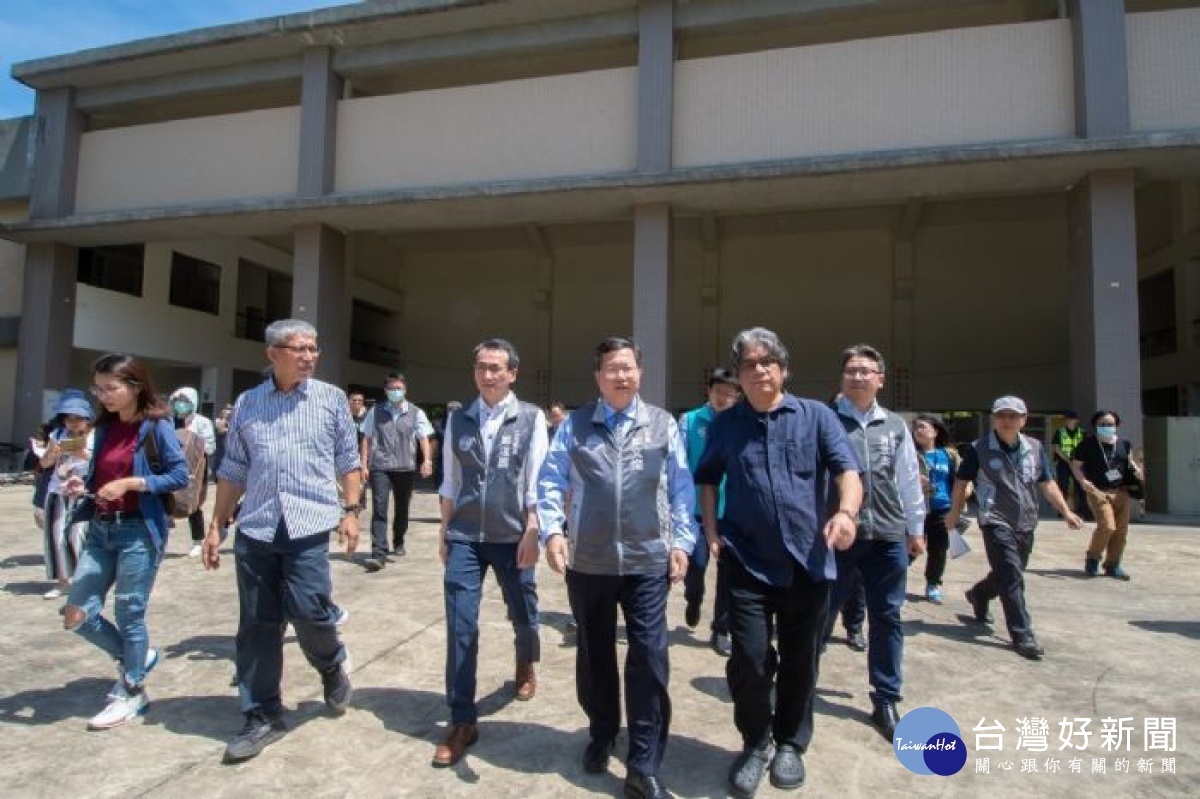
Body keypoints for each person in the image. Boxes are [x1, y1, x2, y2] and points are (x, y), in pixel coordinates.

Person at [695, 327, 862, 799]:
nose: (759, 370)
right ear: (740, 374)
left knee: (800, 659)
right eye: (749, 364)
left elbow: (847, 471)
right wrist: (710, 531)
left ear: (784, 369)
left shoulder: (817, 417)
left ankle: (790, 742)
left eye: (768, 361)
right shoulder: (727, 425)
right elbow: (707, 479)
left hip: (808, 560)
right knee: (748, 657)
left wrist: (846, 513)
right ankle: (755, 740)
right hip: (746, 559)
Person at [537, 337, 696, 799]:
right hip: (589, 561)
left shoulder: (663, 425)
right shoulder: (576, 425)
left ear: (640, 374)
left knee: (648, 658)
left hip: (648, 561)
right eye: (611, 369)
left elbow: (681, 488)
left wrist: (681, 542)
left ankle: (643, 763)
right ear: (598, 377)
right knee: (595, 655)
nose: (620, 376)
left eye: (627, 368)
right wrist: (552, 531)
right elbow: (550, 481)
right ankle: (602, 731)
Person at [203, 319, 362, 764]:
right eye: (299, 349)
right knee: (257, 624)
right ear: (273, 353)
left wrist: (350, 513)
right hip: (256, 526)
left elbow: (349, 462)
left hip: (309, 525)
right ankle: (262, 714)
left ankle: (331, 664)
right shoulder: (249, 403)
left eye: (314, 348)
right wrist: (217, 524)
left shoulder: (330, 400)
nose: (309, 356)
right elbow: (234, 468)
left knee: (311, 609)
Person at [433, 338, 548, 768]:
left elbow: (537, 479)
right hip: (464, 536)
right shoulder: (459, 418)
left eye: (497, 368)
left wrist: (533, 530)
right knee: (461, 624)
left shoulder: (531, 419)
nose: (488, 375)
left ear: (512, 373)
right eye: (481, 366)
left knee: (523, 611)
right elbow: (450, 479)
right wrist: (444, 531)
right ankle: (462, 718)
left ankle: (525, 662)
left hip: (512, 534)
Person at [59, 354, 188, 730]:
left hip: (139, 531)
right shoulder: (105, 425)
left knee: (129, 613)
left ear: (135, 387)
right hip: (101, 529)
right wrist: (82, 487)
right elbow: (101, 476)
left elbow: (179, 475)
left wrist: (132, 483)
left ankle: (132, 689)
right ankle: (137, 658)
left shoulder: (155, 426)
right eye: (98, 389)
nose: (104, 396)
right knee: (77, 613)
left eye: (111, 388)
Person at [826, 344, 925, 743]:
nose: (858, 377)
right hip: (838, 536)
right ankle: (799, 683)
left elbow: (907, 479)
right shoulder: (826, 420)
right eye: (851, 370)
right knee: (820, 613)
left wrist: (915, 529)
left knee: (887, 617)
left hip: (886, 534)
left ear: (881, 379)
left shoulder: (896, 426)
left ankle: (885, 697)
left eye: (866, 371)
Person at [946, 396, 1082, 661]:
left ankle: (979, 594)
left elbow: (1047, 483)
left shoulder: (1034, 447)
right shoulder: (979, 448)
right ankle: (1023, 634)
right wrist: (953, 514)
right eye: (1002, 415)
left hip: (1026, 520)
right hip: (995, 518)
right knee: (1010, 575)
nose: (1007, 420)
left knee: (1011, 572)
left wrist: (1066, 511)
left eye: (1013, 416)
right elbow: (962, 483)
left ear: (1023, 419)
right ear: (994, 418)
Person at [677, 367, 741, 656]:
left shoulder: (742, 422)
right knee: (698, 564)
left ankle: (721, 629)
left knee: (729, 575)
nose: (724, 399)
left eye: (730, 394)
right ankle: (694, 597)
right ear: (709, 391)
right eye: (719, 392)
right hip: (696, 509)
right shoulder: (690, 421)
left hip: (732, 508)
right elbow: (678, 463)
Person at [360, 372, 434, 569]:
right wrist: (364, 464)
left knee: (402, 507)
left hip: (405, 466)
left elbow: (423, 438)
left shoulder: (416, 412)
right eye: (392, 388)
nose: (395, 392)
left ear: (405, 389)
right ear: (385, 391)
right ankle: (379, 553)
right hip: (380, 467)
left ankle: (399, 539)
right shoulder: (375, 411)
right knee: (379, 508)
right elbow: (366, 439)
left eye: (399, 388)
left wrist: (426, 460)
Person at [1070, 410, 1142, 580]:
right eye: (1102, 424)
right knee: (1107, 526)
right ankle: (1093, 558)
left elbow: (1129, 461)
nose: (1106, 427)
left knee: (1121, 531)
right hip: (1097, 491)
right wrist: (1083, 481)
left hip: (1121, 491)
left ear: (1116, 425)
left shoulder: (1124, 444)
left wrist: (1137, 470)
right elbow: (1075, 465)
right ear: (1095, 426)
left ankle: (1113, 565)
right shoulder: (1087, 444)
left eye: (1110, 424)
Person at [39, 391, 95, 599]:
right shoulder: (58, 435)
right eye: (68, 418)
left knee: (77, 535)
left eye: (77, 418)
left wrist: (84, 454)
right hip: (58, 490)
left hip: (82, 492)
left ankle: (84, 581)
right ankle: (63, 581)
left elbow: (100, 462)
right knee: (56, 535)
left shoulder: (95, 436)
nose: (72, 423)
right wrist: (52, 454)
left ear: (86, 418)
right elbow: (44, 464)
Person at [911, 414, 961, 604]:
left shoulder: (948, 455)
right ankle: (892, 580)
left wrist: (958, 506)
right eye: (916, 428)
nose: (919, 431)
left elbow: (960, 481)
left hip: (942, 508)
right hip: (917, 508)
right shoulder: (910, 454)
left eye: (923, 427)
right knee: (910, 548)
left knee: (938, 550)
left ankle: (933, 584)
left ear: (935, 431)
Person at [169, 386, 217, 558]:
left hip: (196, 468)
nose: (180, 405)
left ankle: (197, 540)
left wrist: (194, 442)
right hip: (173, 466)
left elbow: (210, 446)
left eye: (185, 402)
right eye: (177, 402)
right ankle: (161, 538)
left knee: (193, 503)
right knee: (167, 500)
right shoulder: (169, 421)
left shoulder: (202, 422)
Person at [1052, 411, 1089, 519]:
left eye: (1071, 419)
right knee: (1063, 487)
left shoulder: (1082, 432)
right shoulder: (1060, 431)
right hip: (1064, 463)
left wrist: (1078, 462)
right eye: (1067, 419)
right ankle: (1062, 511)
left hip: (1078, 464)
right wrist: (1068, 460)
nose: (1068, 421)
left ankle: (1084, 511)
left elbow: (1086, 448)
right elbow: (1057, 448)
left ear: (1076, 421)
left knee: (1082, 487)